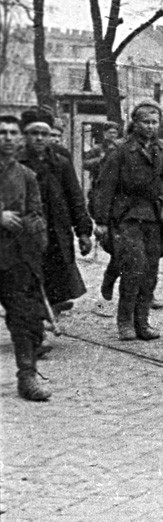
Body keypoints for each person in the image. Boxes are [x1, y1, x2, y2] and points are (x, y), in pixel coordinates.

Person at [91, 101, 163, 341]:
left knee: (150, 270)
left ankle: (142, 322)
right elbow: (105, 187)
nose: (151, 126)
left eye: (155, 122)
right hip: (127, 216)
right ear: (135, 123)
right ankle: (125, 322)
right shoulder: (120, 150)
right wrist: (101, 221)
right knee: (133, 266)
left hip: (154, 217)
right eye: (146, 122)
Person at [18, 108, 93, 316]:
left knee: (55, 280)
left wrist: (84, 232)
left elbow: (75, 199)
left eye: (44, 133)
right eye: (34, 133)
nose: (40, 138)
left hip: (56, 233)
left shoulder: (61, 163)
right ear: (25, 135)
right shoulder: (13, 162)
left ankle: (45, 317)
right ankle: (35, 331)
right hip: (24, 233)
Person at [0, 114, 51, 401]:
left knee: (24, 319)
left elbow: (36, 213)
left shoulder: (27, 176)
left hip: (15, 257)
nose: (7, 137)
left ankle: (27, 377)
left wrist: (32, 228)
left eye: (12, 133)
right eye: (1, 132)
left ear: (19, 139)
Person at [84, 121, 122, 303]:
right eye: (110, 132)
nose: (112, 135)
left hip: (121, 203)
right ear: (105, 133)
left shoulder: (122, 148)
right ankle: (110, 276)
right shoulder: (98, 149)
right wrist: (102, 159)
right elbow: (85, 163)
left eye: (115, 132)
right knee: (118, 248)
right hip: (101, 196)